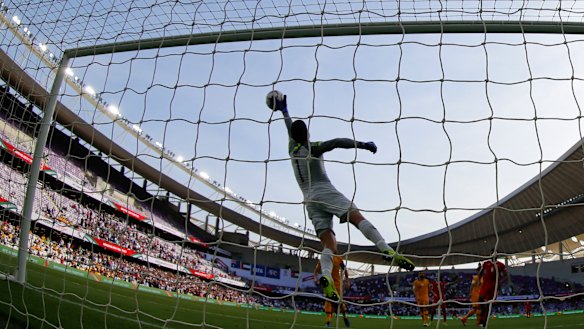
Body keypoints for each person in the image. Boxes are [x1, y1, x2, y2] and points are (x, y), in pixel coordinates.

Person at [269, 92, 415, 301]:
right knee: (356, 217)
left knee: (330, 246)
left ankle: (326, 276)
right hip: (325, 191)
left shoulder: (292, 149)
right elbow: (337, 142)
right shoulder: (314, 147)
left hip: (308, 201)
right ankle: (386, 249)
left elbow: (290, 128)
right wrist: (362, 145)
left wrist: (284, 111)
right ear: (307, 133)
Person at [314, 256, 350, 327]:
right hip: (327, 284)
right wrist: (316, 278)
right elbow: (316, 271)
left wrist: (347, 280)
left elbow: (345, 269)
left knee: (339, 302)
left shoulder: (338, 258)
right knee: (328, 301)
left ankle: (345, 317)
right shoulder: (323, 259)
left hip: (337, 285)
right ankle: (328, 321)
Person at [478, 253, 509, 327]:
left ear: (497, 255)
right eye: (492, 253)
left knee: (489, 304)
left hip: (494, 286)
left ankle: (484, 322)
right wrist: (479, 280)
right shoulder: (486, 263)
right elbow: (480, 273)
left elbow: (506, 276)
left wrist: (499, 283)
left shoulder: (500, 265)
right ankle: (482, 314)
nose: (493, 255)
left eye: (495, 253)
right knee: (480, 299)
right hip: (485, 284)